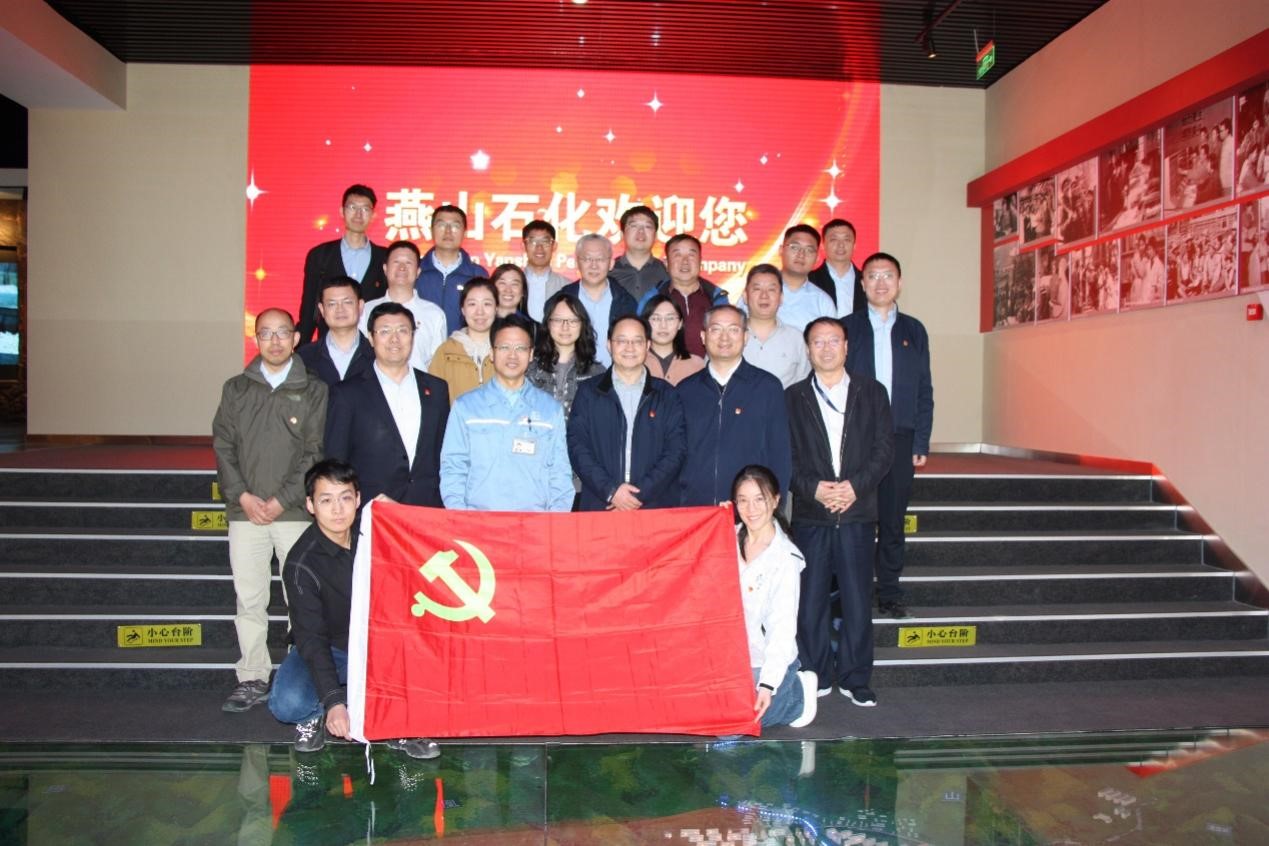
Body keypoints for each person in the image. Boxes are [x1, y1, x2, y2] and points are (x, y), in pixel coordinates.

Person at [268, 459, 439, 759]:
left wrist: (399, 515)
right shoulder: (301, 563)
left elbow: (431, 546)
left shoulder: (377, 531)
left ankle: (396, 722)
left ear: (358, 499)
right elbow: (312, 639)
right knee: (289, 703)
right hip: (331, 648)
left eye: (345, 498)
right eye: (326, 500)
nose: (337, 510)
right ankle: (319, 713)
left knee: (436, 680)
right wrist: (333, 702)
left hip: (382, 646)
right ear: (310, 505)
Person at [213, 307, 327, 713]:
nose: (275, 341)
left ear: (296, 338)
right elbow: (223, 446)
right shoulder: (236, 389)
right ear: (256, 339)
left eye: (283, 333)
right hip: (246, 514)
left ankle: (303, 677)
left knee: (301, 601)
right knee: (249, 600)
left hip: (294, 514)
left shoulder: (314, 389)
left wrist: (281, 500)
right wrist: (243, 496)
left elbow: (314, 451)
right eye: (266, 333)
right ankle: (252, 677)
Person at [787, 318, 894, 707]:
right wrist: (813, 488)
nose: (826, 348)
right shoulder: (792, 397)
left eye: (834, 340)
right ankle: (815, 672)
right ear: (808, 350)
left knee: (857, 600)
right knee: (810, 601)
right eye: (818, 342)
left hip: (856, 512)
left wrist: (854, 487)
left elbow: (884, 450)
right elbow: (785, 455)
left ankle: (855, 678)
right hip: (811, 514)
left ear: (846, 347)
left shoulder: (872, 392)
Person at [842, 253, 933, 620]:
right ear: (862, 284)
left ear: (899, 283)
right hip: (856, 438)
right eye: (873, 276)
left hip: (900, 436)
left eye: (888, 276)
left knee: (893, 519)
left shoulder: (914, 330)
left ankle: (890, 591)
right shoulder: (846, 327)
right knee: (856, 518)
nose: (880, 283)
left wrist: (921, 440)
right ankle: (854, 591)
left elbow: (924, 387)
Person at [440, 315, 574, 511]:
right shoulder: (466, 407)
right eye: (504, 347)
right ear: (492, 353)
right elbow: (453, 467)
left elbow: (560, 473)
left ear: (531, 354)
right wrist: (462, 516)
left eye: (520, 348)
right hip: (479, 521)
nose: (512, 355)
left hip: (534, 522)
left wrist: (554, 520)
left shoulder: (550, 410)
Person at [324, 302, 450, 507]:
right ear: (370, 338)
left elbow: (443, 452)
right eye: (385, 331)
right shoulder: (347, 393)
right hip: (372, 510)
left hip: (427, 508)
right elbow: (335, 462)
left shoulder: (436, 389)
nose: (394, 339)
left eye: (403, 331)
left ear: (413, 336)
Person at [567, 315, 686, 512]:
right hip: (601, 505)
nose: (629, 348)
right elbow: (577, 446)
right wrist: (611, 492)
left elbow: (675, 451)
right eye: (621, 341)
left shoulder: (667, 395)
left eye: (637, 341)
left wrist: (638, 495)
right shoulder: (588, 392)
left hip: (653, 507)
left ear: (648, 346)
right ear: (609, 345)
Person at [731, 464, 818, 730]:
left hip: (764, 661)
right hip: (729, 655)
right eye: (743, 500)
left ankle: (797, 697)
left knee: (734, 721)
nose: (751, 509)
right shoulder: (725, 538)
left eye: (760, 499)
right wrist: (714, 520)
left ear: (776, 500)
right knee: (694, 708)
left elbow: (782, 629)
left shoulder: (785, 559)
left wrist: (767, 685)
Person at [677, 305, 791, 506]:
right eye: (716, 329)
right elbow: (675, 454)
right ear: (703, 336)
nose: (724, 337)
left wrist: (775, 507)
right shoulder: (685, 390)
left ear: (745, 337)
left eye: (733, 330)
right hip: (695, 508)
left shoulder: (767, 387)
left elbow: (780, 454)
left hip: (750, 511)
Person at [298, 185, 388, 344]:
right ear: (342, 211)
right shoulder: (320, 255)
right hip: (328, 345)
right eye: (352, 207)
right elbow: (309, 310)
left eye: (365, 209)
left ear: (373, 215)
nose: (358, 214)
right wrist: (302, 350)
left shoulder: (385, 257)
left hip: (373, 347)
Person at [358, 240, 447, 372]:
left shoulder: (434, 314)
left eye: (408, 263)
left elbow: (438, 364)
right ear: (385, 269)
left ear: (418, 272)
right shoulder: (366, 310)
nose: (402, 268)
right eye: (396, 262)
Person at [636, 234, 729, 358]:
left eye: (691, 255)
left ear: (700, 261)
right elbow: (639, 338)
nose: (685, 262)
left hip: (708, 369)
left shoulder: (717, 298)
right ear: (666, 263)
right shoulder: (651, 299)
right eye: (677, 255)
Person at [560, 233, 638, 367]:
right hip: (572, 377)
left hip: (614, 376)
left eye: (600, 259)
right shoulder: (561, 301)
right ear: (577, 262)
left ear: (611, 263)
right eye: (587, 259)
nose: (594, 265)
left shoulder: (627, 302)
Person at [527, 291, 604, 415]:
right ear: (548, 323)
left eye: (573, 320)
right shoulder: (530, 368)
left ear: (582, 324)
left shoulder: (597, 373)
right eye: (558, 320)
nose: (565, 327)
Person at [415, 204, 489, 332]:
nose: (448, 231)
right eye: (441, 225)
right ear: (431, 230)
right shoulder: (415, 271)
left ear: (465, 233)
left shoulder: (477, 274)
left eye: (455, 226)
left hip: (463, 344)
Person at [428, 279, 497, 403]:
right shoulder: (445, 351)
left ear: (496, 308)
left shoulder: (506, 350)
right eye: (472, 304)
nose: (480, 312)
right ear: (463, 310)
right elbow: (433, 398)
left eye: (487, 304)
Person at [742, 263, 810, 388]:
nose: (764, 296)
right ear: (745, 297)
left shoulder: (797, 339)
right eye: (757, 289)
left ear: (781, 298)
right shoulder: (729, 336)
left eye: (771, 289)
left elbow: (803, 386)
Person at [297, 276, 375, 387]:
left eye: (347, 302)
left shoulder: (379, 354)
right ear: (322, 310)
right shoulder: (303, 357)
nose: (340, 309)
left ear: (360, 306)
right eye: (332, 304)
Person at [771, 224, 836, 330]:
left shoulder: (823, 302)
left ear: (817, 258)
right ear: (781, 250)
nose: (801, 254)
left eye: (809, 250)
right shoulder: (758, 292)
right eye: (795, 247)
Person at [609, 205, 670, 302]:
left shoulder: (667, 273)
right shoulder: (608, 272)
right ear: (622, 234)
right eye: (634, 226)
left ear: (655, 235)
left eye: (647, 226)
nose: (641, 231)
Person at [641, 293, 705, 385]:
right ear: (645, 323)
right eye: (656, 318)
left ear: (680, 324)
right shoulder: (635, 361)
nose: (663, 325)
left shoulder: (697, 365)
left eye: (670, 318)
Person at [808, 219, 866, 317]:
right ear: (822, 245)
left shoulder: (867, 281)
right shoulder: (809, 280)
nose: (841, 245)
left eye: (846, 239)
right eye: (833, 239)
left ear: (854, 245)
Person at [520, 220, 570, 321]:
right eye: (533, 241)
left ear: (554, 246)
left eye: (545, 241)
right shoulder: (513, 285)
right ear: (524, 246)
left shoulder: (567, 286)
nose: (539, 247)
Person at [490, 262, 540, 339]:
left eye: (514, 284)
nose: (508, 290)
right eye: (502, 283)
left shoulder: (536, 330)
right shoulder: (481, 323)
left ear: (523, 292)